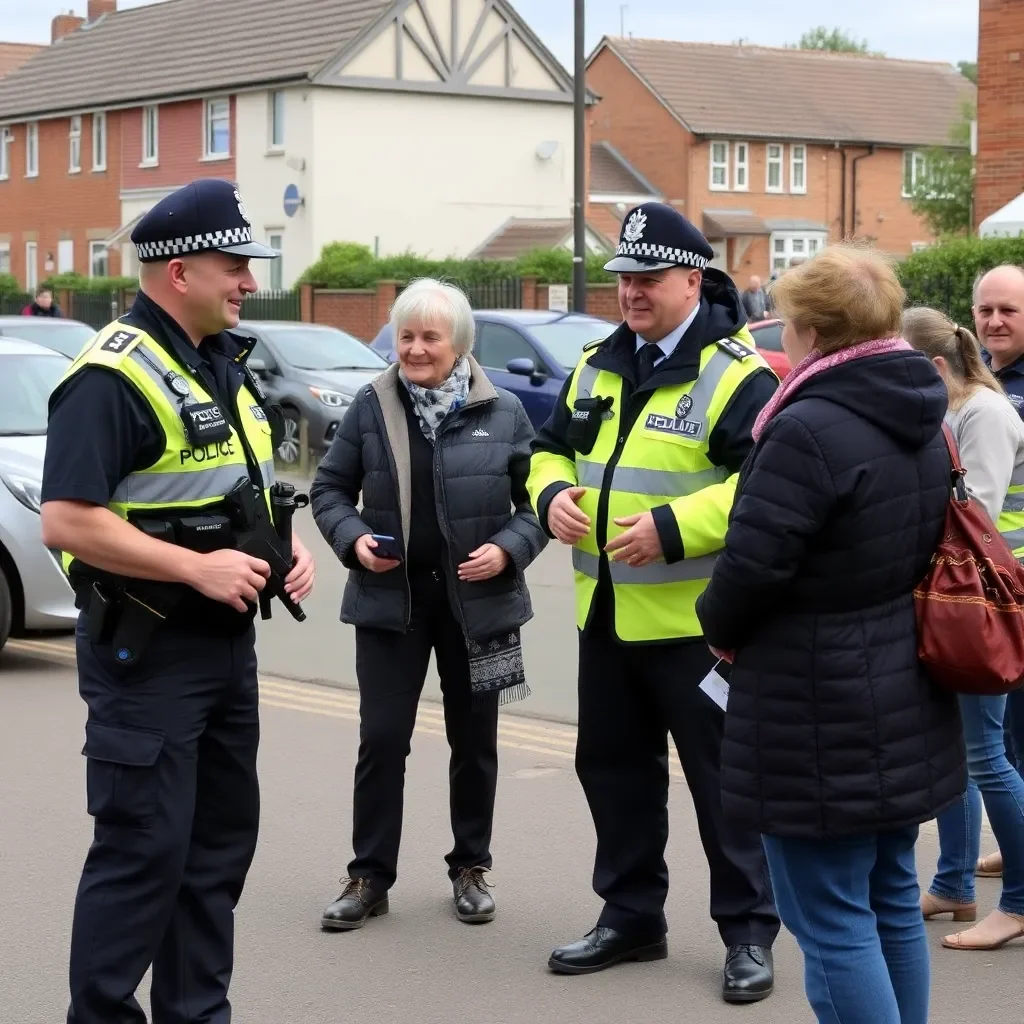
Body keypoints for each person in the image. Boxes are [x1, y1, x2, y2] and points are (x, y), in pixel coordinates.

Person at [39, 177, 316, 1024]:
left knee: (215, 853)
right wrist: (196, 570)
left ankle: (198, 1014)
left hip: (225, 652)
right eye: (235, 263)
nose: (249, 280)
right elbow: (66, 521)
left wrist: (285, 547)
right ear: (178, 269)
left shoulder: (219, 362)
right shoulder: (112, 376)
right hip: (148, 656)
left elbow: (237, 490)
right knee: (142, 857)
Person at [695, 246, 966, 1024]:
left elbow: (752, 566)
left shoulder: (807, 424)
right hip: (901, 681)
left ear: (811, 330)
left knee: (829, 918)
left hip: (815, 698)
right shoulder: (920, 405)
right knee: (884, 899)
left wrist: (715, 627)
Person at [527, 202, 780, 1004]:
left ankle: (747, 933)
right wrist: (552, 495)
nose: (630, 293)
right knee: (613, 772)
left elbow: (764, 485)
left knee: (723, 783)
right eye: (624, 279)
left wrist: (675, 527)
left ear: (694, 281)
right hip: (604, 615)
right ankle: (631, 916)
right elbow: (545, 450)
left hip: (695, 628)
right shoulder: (599, 360)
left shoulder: (740, 373)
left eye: (647, 278)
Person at [310, 278, 546, 930]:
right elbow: (329, 490)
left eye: (429, 337)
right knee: (382, 740)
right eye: (406, 336)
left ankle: (470, 868)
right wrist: (354, 540)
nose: (415, 350)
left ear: (459, 344)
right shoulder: (371, 405)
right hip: (392, 601)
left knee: (476, 743)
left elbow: (539, 505)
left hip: (485, 606)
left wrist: (509, 549)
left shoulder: (503, 410)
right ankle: (368, 878)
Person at [904, 306, 1024, 952]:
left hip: (988, 607)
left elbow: (971, 515)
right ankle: (953, 883)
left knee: (987, 758)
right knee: (960, 755)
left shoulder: (984, 414)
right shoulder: (953, 410)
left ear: (933, 366)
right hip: (962, 604)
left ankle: (1021, 901)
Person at [972, 265, 1024, 880]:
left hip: (1015, 584)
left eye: (1008, 310)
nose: (994, 321)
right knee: (1004, 737)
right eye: (986, 310)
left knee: (1011, 742)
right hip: (996, 585)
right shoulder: (987, 377)